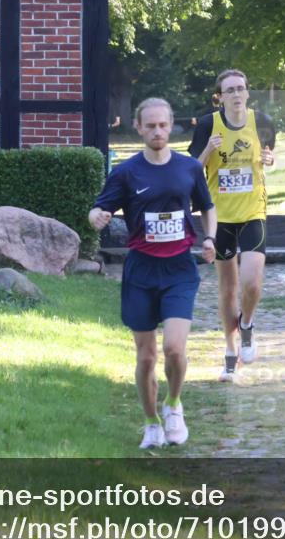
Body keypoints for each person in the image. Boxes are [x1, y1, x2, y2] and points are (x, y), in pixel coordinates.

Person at [90, 98, 217, 448]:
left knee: (175, 348)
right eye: (151, 126)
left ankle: (174, 405)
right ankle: (151, 423)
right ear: (139, 128)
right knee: (146, 356)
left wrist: (210, 238)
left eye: (163, 125)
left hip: (179, 268)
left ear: (171, 125)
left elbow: (207, 207)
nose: (158, 131)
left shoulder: (189, 168)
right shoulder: (127, 172)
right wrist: (97, 216)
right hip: (141, 271)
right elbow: (99, 208)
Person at [188, 69, 276, 382]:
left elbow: (268, 155)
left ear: (247, 93)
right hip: (219, 216)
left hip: (253, 211)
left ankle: (247, 325)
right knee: (227, 289)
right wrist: (209, 150)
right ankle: (229, 350)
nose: (236, 94)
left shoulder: (262, 122)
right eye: (230, 90)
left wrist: (269, 159)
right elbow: (191, 171)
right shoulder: (208, 124)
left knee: (251, 282)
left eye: (241, 88)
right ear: (220, 97)